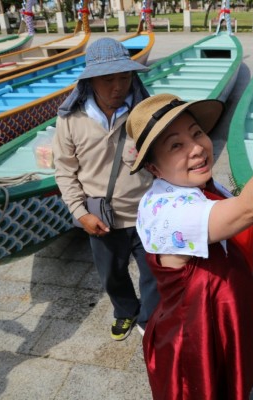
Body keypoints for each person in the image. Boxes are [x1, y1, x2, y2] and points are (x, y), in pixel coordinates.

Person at [127, 59, 253, 399]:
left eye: (197, 133)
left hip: (224, 327)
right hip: (193, 345)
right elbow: (249, 208)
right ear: (154, 167)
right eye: (175, 145)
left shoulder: (206, 190)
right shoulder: (164, 211)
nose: (196, 148)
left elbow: (252, 230)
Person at [53, 38, 159, 341]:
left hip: (147, 214)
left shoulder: (144, 114)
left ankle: (149, 318)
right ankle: (126, 311)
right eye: (108, 79)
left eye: (125, 77)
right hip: (101, 219)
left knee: (154, 275)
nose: (118, 86)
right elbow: (65, 170)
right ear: (90, 81)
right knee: (112, 276)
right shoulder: (71, 121)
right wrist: (79, 212)